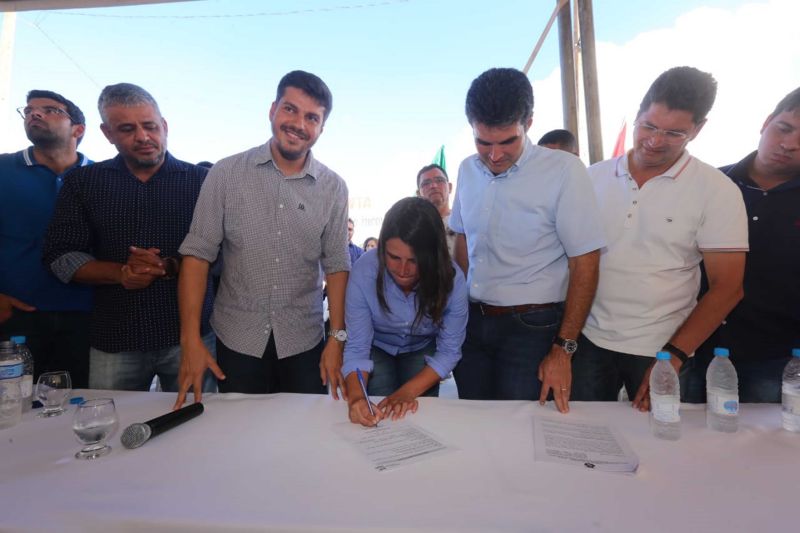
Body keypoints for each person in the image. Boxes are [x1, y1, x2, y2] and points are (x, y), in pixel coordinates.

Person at [572, 66, 749, 411]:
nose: (654, 141)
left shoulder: (717, 191)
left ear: (697, 130)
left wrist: (675, 356)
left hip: (663, 347)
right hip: (588, 342)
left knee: (662, 448)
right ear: (637, 114)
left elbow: (729, 286)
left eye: (673, 133)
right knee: (585, 442)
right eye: (648, 126)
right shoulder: (591, 179)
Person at [175, 70, 351, 407]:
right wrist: (191, 341)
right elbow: (197, 256)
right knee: (239, 442)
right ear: (272, 110)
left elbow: (337, 266)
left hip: (306, 343)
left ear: (321, 128)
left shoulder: (334, 188)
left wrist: (337, 340)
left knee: (299, 440)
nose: (299, 123)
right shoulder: (225, 174)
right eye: (290, 109)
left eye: (311, 117)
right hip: (237, 340)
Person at [42, 83, 215, 392]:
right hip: (115, 338)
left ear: (164, 126)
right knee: (110, 427)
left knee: (197, 425)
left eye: (149, 126)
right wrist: (122, 273)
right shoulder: (83, 182)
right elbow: (60, 255)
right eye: (126, 129)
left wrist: (168, 266)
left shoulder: (202, 182)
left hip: (192, 336)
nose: (143, 137)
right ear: (107, 133)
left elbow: (224, 254)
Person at [449, 68, 605, 412]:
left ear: (529, 123)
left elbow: (586, 260)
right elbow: (462, 239)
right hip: (472, 325)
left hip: (532, 330)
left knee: (520, 431)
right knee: (473, 421)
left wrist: (563, 349)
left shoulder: (564, 171)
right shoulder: (465, 170)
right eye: (482, 142)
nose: (493, 155)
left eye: (507, 142)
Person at [682, 87, 800, 403]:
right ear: (766, 122)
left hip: (777, 363)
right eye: (784, 129)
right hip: (694, 351)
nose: (789, 144)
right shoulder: (710, 185)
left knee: (767, 450)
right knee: (685, 446)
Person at [343, 197, 468, 426]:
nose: (403, 270)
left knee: (417, 419)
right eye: (393, 257)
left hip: (423, 349)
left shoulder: (452, 279)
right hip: (376, 347)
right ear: (382, 248)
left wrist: (408, 391)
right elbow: (357, 347)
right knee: (378, 414)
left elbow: (449, 351)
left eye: (415, 260)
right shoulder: (364, 270)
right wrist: (357, 398)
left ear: (433, 256)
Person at [0, 90, 92, 388]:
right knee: (14, 413)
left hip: (88, 318)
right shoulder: (3, 169)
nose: (34, 114)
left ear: (78, 129)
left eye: (50, 110)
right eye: (28, 110)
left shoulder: (102, 178)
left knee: (78, 409)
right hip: (15, 317)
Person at [416, 163, 456, 256]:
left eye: (439, 180)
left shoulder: (465, 221)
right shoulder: (414, 227)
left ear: (449, 187)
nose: (433, 186)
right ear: (418, 194)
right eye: (426, 183)